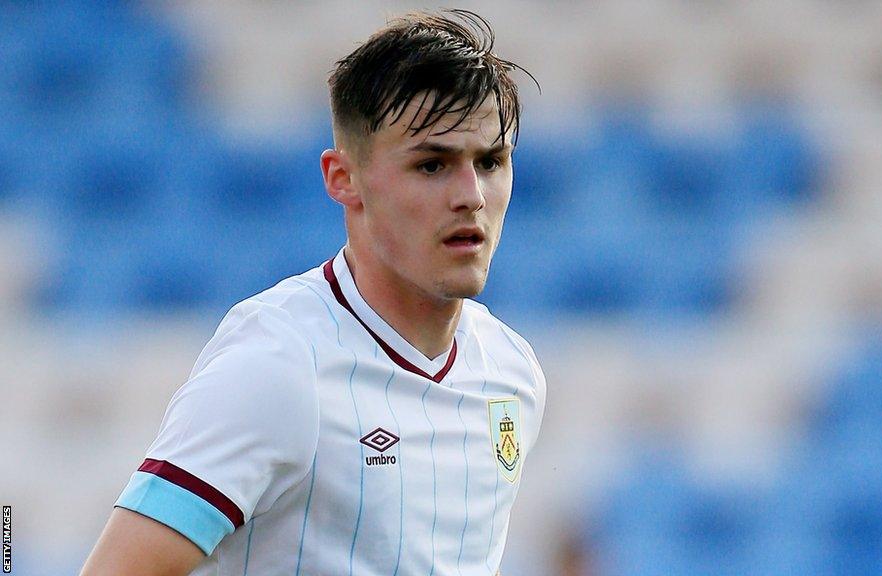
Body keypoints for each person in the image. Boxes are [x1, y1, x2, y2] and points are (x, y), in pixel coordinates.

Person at [81, 10, 545, 576]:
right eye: (432, 165)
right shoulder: (279, 361)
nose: (471, 195)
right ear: (342, 179)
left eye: (491, 162)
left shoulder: (512, 373)